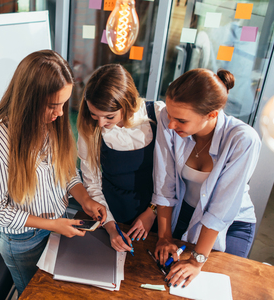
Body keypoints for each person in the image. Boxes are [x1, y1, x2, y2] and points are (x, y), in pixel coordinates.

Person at [0, 50, 107, 295]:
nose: (60, 114)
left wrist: (86, 199)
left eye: (64, 104)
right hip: (24, 242)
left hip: (57, 227)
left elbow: (67, 172)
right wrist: (52, 224)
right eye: (53, 106)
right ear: (29, 99)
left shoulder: (53, 124)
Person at [152, 68, 261, 288]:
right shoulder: (168, 118)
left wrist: (197, 260)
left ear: (212, 114)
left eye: (181, 120)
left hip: (230, 224)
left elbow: (222, 206)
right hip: (186, 211)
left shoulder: (242, 140)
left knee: (215, 287)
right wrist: (164, 237)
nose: (171, 125)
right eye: (170, 115)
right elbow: (165, 182)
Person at [77, 64, 165, 253]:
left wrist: (153, 211)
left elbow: (171, 175)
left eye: (109, 116)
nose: (100, 123)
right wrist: (110, 226)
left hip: (158, 215)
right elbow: (92, 183)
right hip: (111, 213)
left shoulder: (158, 114)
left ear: (127, 104)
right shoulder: (90, 127)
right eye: (94, 114)